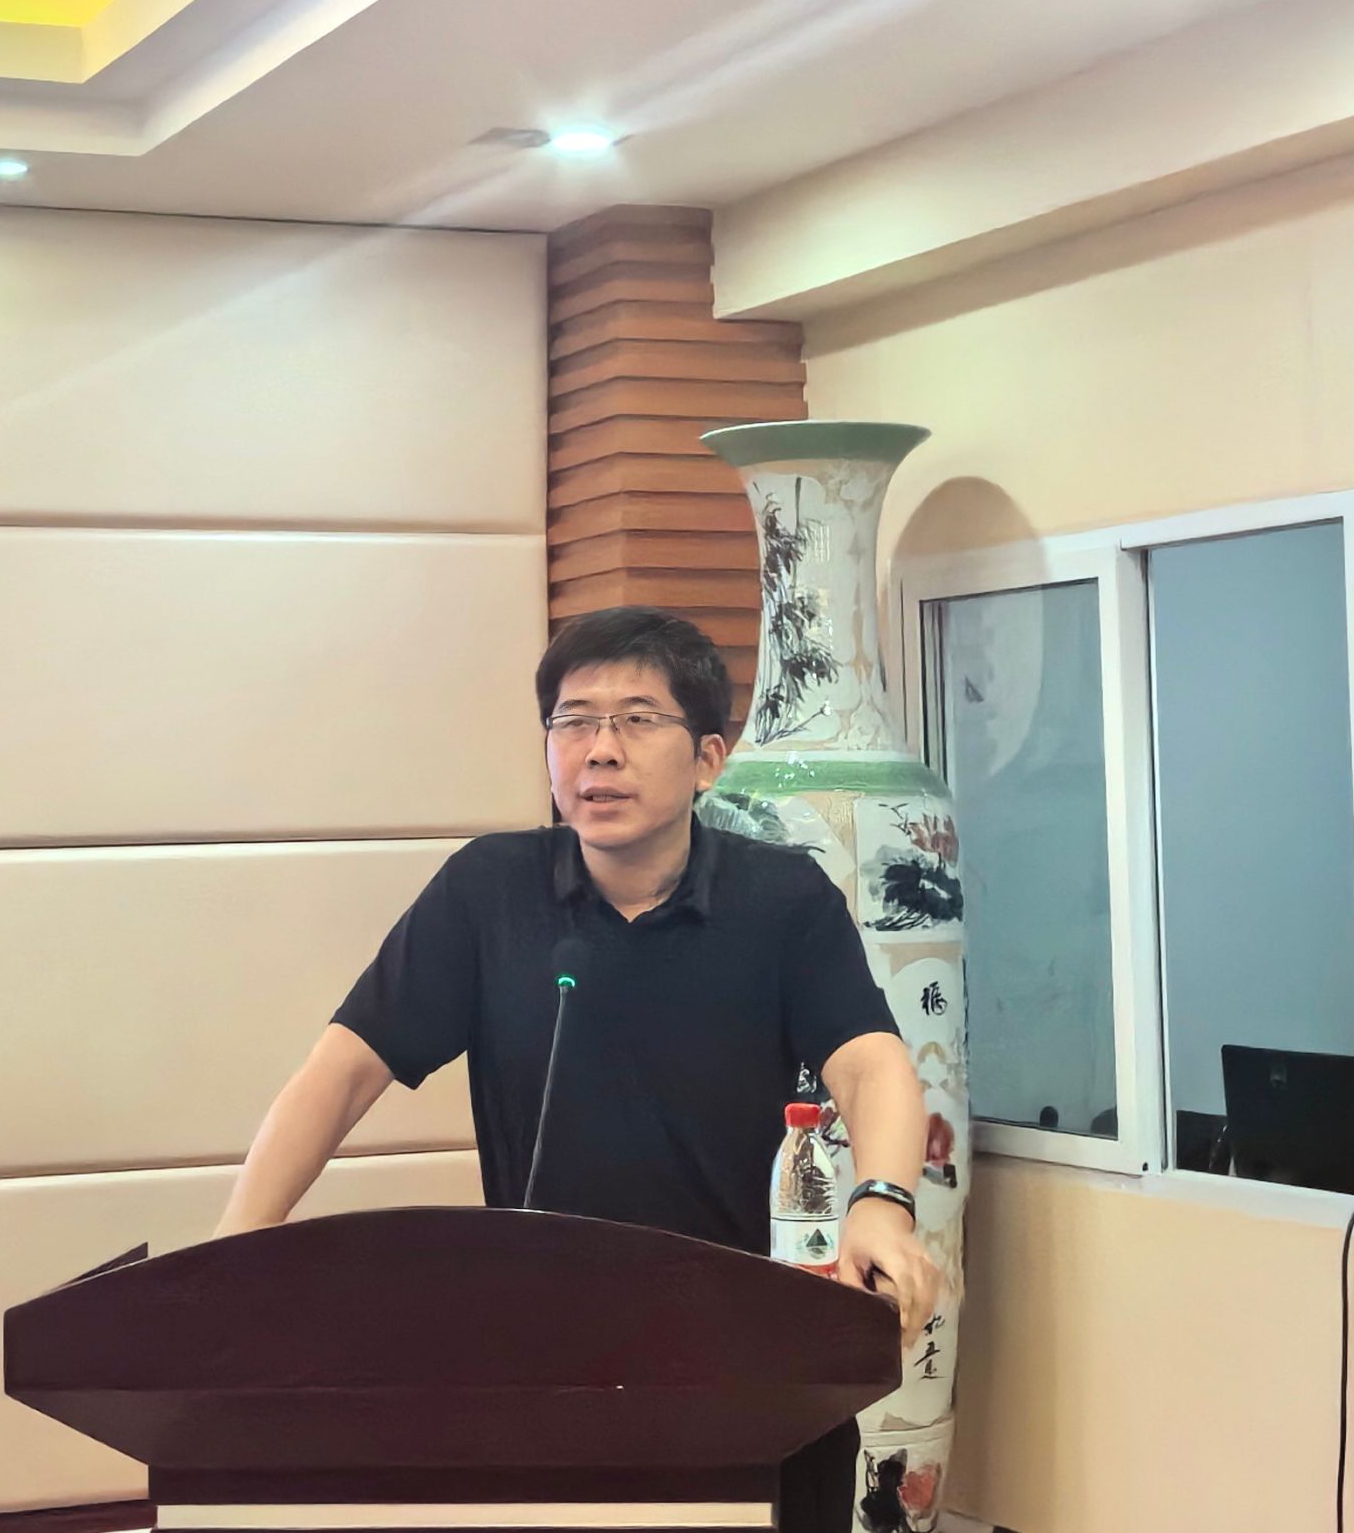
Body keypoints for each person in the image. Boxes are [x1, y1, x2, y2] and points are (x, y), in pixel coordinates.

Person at [216, 605, 942, 1529]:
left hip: (737, 1346)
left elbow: (871, 1063)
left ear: (708, 758)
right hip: (539, 1346)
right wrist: (234, 1245)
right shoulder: (489, 890)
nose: (600, 749)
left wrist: (883, 1201)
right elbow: (343, 1069)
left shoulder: (781, 899)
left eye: (637, 719)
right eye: (573, 721)